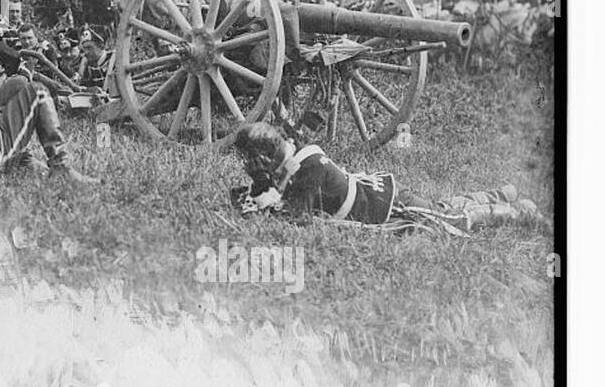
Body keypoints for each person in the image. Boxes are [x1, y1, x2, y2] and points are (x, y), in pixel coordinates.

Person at [229, 122, 542, 233]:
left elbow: (290, 215)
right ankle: (498, 195)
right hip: (381, 193)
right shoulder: (300, 152)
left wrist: (260, 186)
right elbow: (280, 191)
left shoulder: (310, 169)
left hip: (386, 206)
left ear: (268, 158)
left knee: (452, 221)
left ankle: (514, 212)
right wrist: (263, 185)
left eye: (256, 162)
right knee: (439, 205)